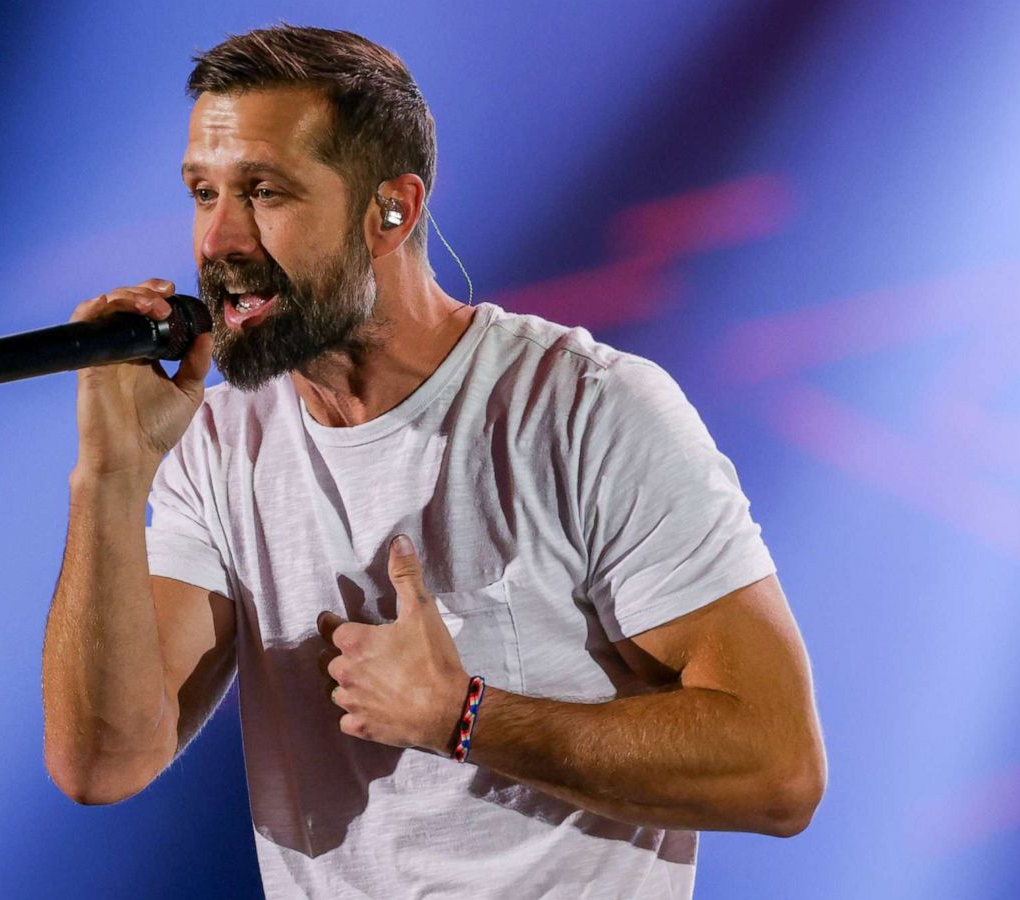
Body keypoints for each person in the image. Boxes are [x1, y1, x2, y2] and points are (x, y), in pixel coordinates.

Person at [40, 24, 825, 898]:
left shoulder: (584, 411)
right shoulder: (220, 446)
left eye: (265, 192)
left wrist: (467, 717)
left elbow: (778, 769)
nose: (218, 239)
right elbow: (101, 765)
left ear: (392, 210)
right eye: (202, 192)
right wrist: (110, 475)